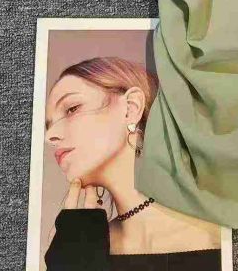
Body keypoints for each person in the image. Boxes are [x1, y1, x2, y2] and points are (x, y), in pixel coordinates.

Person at [44, 57, 221, 270]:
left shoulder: (223, 237)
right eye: (48, 125)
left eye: (72, 108)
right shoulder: (77, 248)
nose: (50, 136)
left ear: (131, 108)